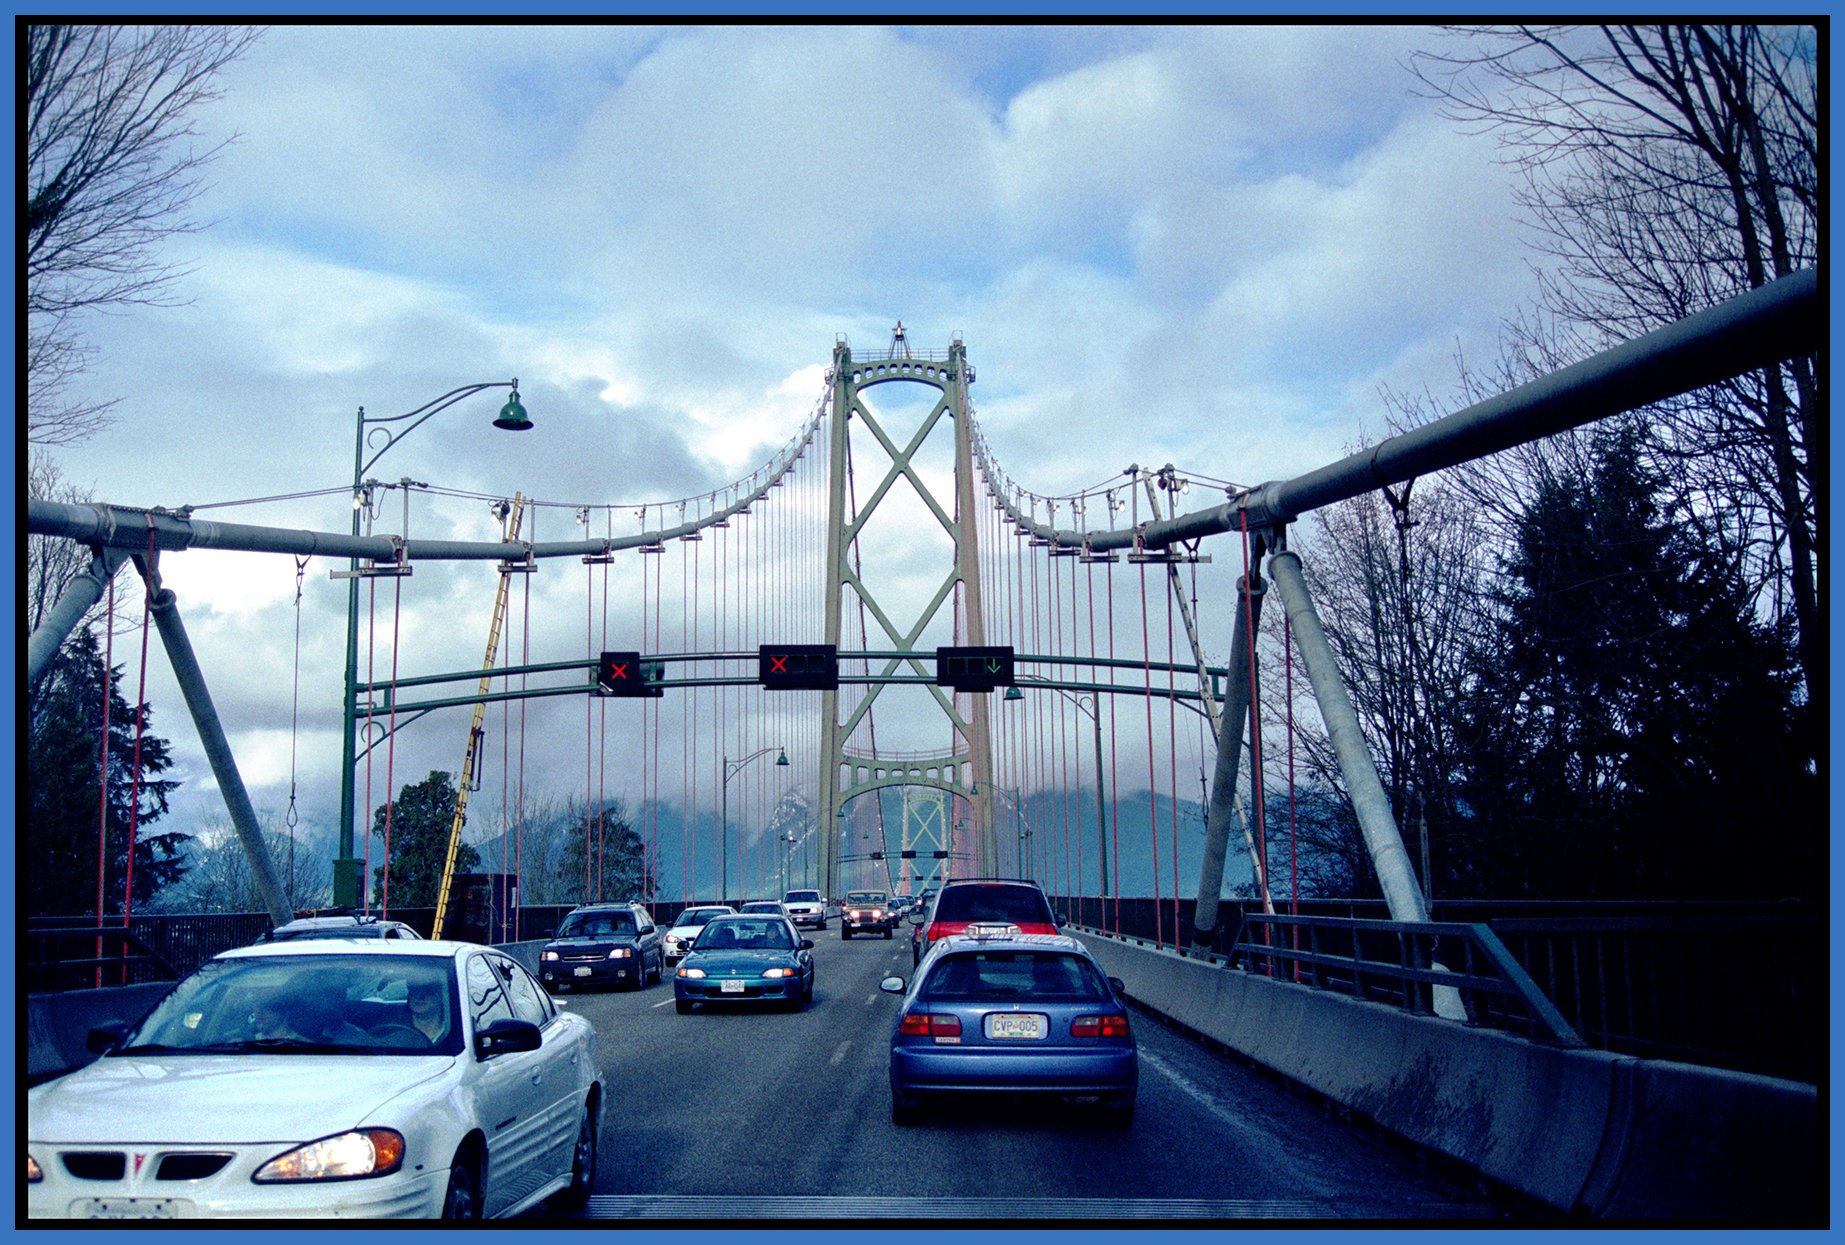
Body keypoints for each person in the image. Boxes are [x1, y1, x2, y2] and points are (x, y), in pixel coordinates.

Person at [406, 979, 449, 1045]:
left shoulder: (458, 1034)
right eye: (414, 989)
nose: (419, 996)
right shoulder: (394, 1033)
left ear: (442, 995)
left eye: (429, 989)